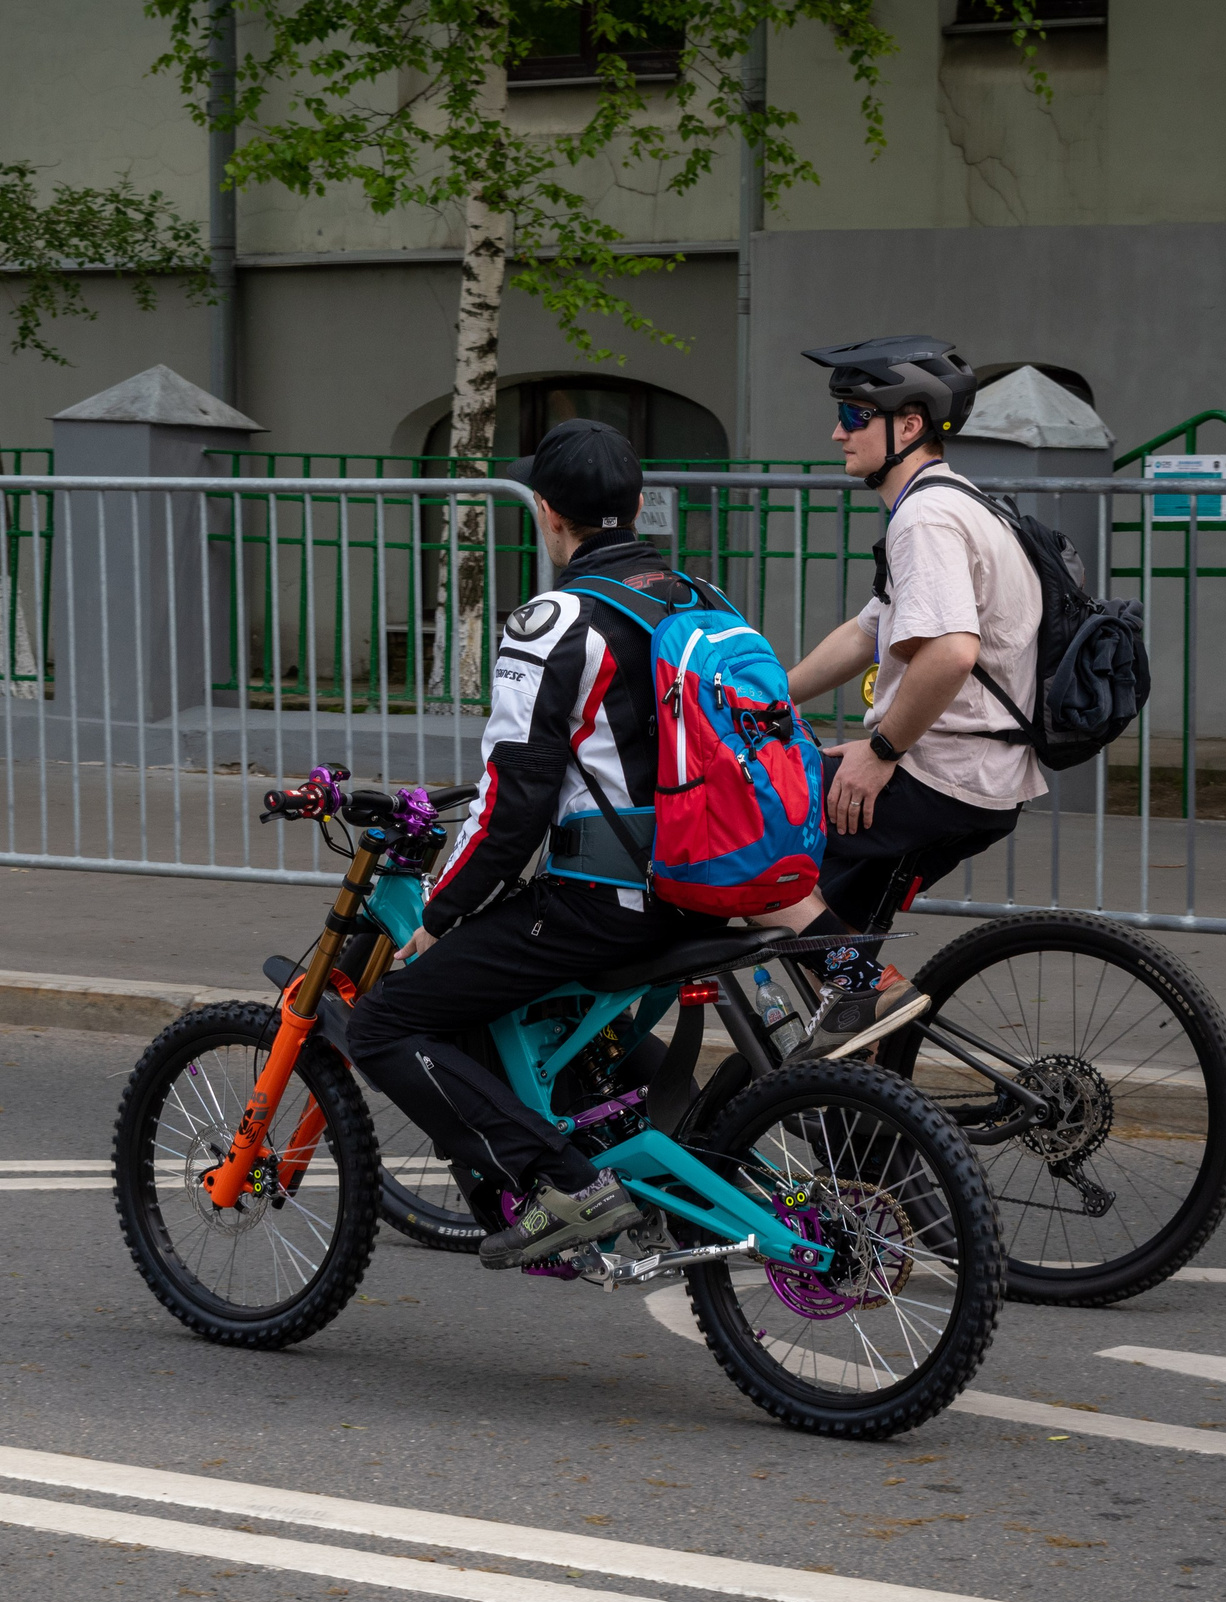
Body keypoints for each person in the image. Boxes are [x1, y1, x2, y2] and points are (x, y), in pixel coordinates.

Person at [345, 418, 743, 1271]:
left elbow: (512, 807)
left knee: (384, 1021)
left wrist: (439, 913)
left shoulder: (553, 621)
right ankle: (624, 1143)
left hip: (607, 902)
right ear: (638, 506)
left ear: (545, 513)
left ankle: (566, 1183)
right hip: (711, 880)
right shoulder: (699, 597)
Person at [755, 334, 1047, 1055]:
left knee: (740, 830)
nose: (836, 432)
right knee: (821, 922)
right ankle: (866, 1113)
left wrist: (880, 751)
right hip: (977, 776)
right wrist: (764, 695)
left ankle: (862, 989)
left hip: (939, 775)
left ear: (908, 425)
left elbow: (950, 653)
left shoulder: (926, 517)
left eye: (854, 415)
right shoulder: (950, 503)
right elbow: (868, 631)